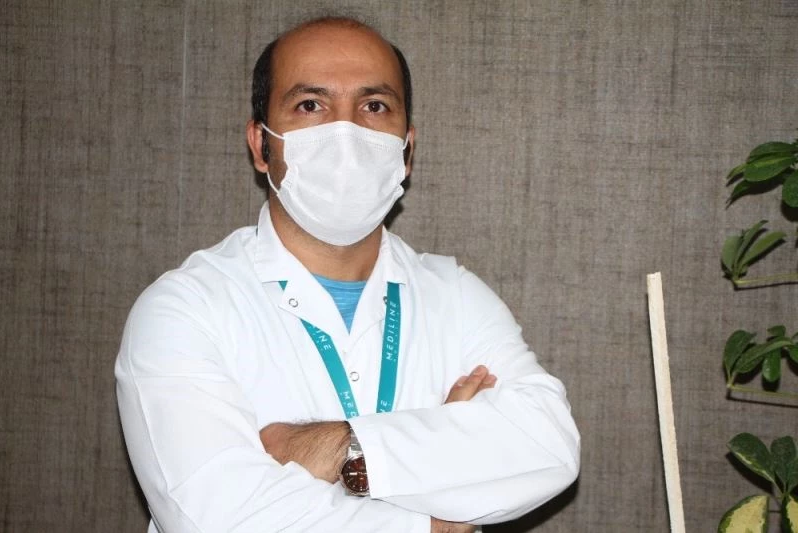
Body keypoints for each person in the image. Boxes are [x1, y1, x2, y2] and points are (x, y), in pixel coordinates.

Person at [116, 15, 580, 533]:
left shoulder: (455, 295)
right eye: (310, 105)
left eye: (374, 106)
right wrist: (438, 519)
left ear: (406, 148)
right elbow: (216, 517)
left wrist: (340, 449)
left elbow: (548, 447)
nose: (345, 132)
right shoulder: (183, 309)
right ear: (261, 145)